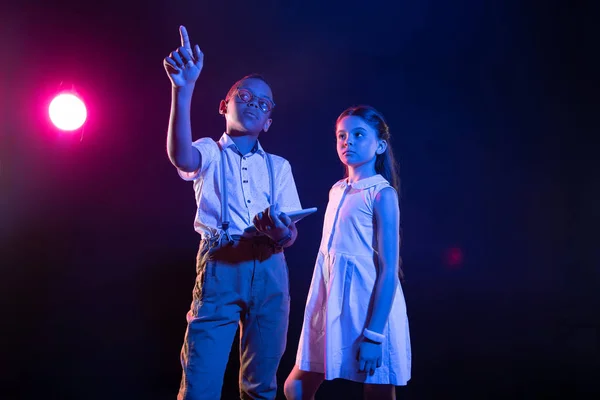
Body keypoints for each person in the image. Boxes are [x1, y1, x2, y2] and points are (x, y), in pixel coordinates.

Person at [163, 25, 303, 400]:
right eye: (245, 96)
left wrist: (280, 232)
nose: (255, 103)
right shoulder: (209, 151)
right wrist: (183, 88)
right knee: (200, 382)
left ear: (269, 121)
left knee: (261, 385)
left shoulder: (279, 166)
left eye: (264, 103)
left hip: (271, 269)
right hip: (221, 264)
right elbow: (181, 156)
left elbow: (291, 234)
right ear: (225, 105)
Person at [284, 105, 411, 400]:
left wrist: (374, 334)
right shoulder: (337, 189)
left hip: (370, 308)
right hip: (333, 306)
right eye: (341, 135)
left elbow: (389, 270)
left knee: (377, 392)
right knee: (296, 387)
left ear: (379, 146)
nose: (347, 141)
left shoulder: (382, 194)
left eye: (357, 134)